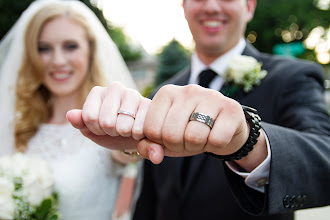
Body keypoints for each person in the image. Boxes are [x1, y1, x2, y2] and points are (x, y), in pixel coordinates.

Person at [67, 0, 330, 219]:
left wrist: (247, 141)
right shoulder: (163, 92)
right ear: (184, 7)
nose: (212, 6)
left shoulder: (292, 76)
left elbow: (324, 159)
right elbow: (151, 196)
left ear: (249, 6)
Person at [0, 0, 143, 219]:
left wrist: (131, 144)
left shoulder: (105, 122)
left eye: (70, 46)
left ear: (90, 51)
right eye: (44, 48)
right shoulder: (16, 124)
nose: (58, 60)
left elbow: (130, 153)